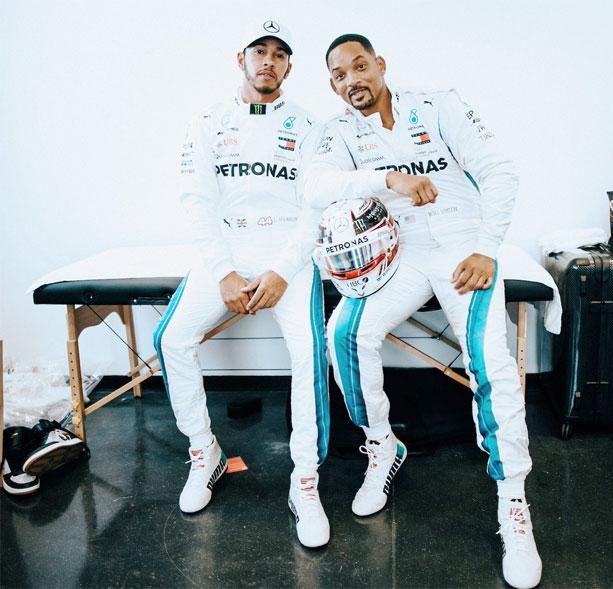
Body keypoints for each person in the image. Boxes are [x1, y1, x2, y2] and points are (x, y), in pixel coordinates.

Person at [304, 34, 542, 588]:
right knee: (343, 332)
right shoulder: (338, 131)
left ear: (381, 65)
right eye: (339, 75)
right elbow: (315, 188)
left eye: (359, 66)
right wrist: (387, 180)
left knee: (490, 361)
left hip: (464, 246)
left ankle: (513, 504)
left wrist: (487, 247)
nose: (351, 80)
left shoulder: (438, 105)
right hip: (402, 253)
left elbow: (500, 172)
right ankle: (383, 446)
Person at [153, 20, 330, 548]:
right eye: (260, 51)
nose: (268, 61)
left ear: (290, 67)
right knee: (171, 339)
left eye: (279, 54)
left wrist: (280, 271)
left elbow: (314, 208)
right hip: (226, 251)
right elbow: (196, 202)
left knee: (309, 354)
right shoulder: (207, 121)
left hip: (289, 257)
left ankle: (305, 480)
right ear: (241, 59)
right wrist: (224, 271)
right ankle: (204, 453)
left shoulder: (311, 125)